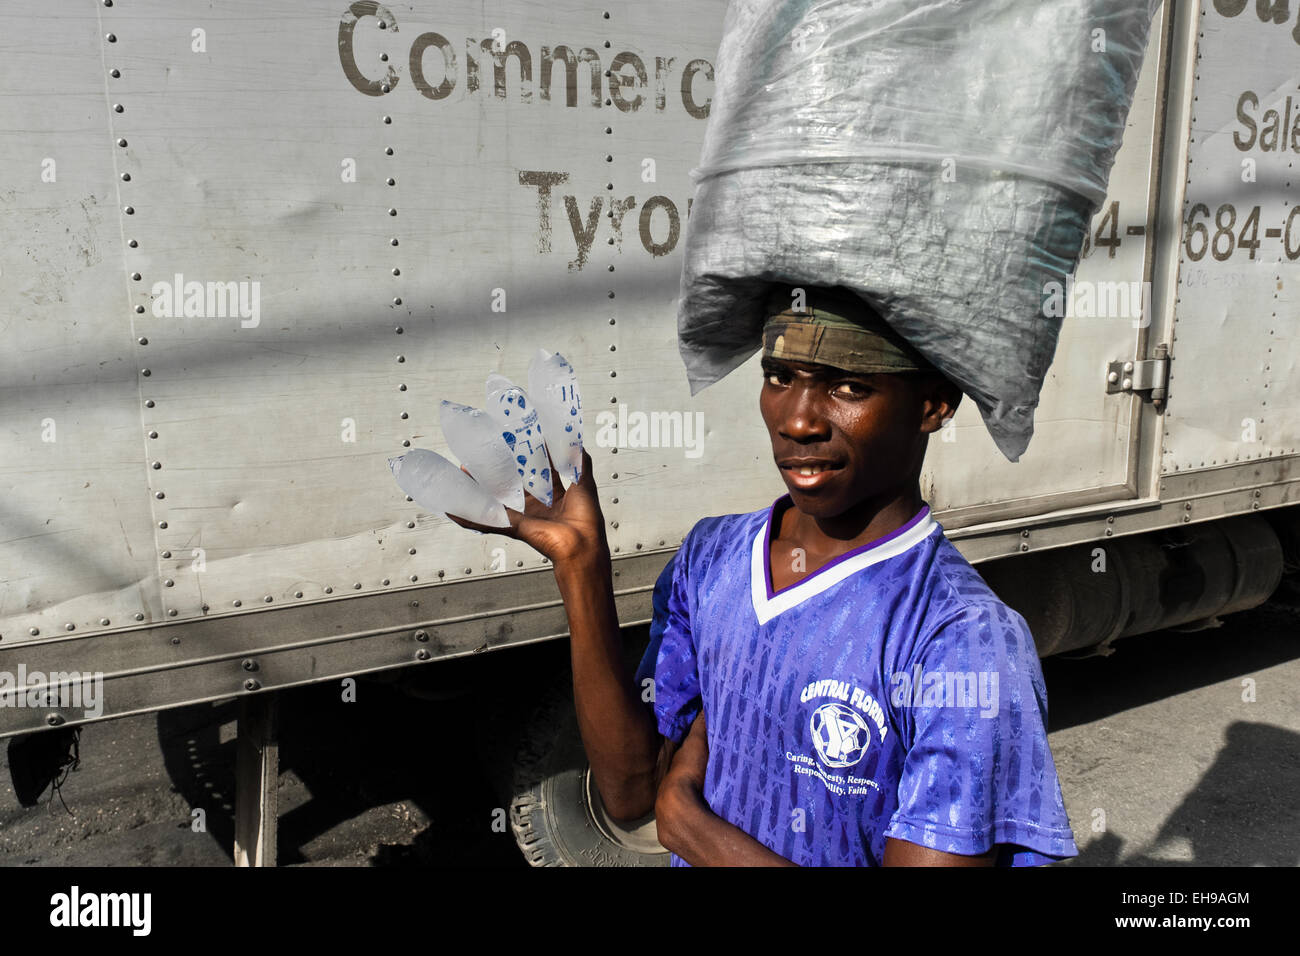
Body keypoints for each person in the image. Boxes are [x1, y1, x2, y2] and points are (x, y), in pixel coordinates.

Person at [449, 283, 1079, 867]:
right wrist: (581, 569)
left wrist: (697, 831)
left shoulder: (960, 637)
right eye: (779, 377)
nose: (797, 419)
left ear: (932, 404)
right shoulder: (712, 558)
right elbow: (632, 794)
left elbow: (669, 813)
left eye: (849, 387)